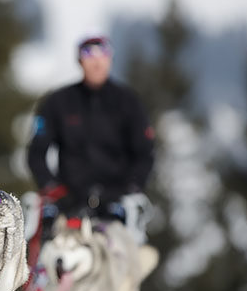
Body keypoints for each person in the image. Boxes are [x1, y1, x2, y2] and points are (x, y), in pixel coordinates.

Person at [27, 34, 155, 228]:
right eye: (88, 54)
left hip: (117, 205)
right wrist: (53, 189)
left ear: (110, 59)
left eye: (102, 54)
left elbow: (145, 153)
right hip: (69, 204)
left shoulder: (128, 102)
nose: (96, 62)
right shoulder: (58, 102)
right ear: (80, 61)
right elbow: (36, 153)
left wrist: (130, 190)